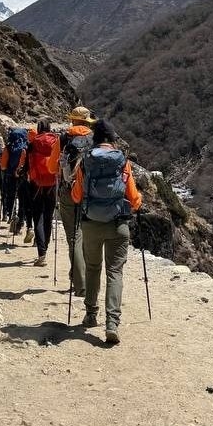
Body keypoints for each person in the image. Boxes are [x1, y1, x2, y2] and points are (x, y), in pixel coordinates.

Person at [71, 118, 142, 345]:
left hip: (91, 223)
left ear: (95, 139)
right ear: (112, 138)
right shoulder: (122, 162)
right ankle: (112, 323)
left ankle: (91, 314)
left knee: (93, 268)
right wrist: (137, 201)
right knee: (115, 272)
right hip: (117, 224)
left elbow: (76, 196)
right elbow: (134, 198)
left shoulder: (86, 161)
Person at [47, 106, 95, 296]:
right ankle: (87, 279)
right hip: (91, 193)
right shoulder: (95, 138)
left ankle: (80, 284)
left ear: (73, 120)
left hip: (69, 191)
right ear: (87, 122)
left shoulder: (64, 138)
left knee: (74, 237)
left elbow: (52, 168)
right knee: (88, 236)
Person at [26, 119, 59, 266]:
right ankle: (45, 246)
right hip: (52, 183)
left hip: (36, 183)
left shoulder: (33, 143)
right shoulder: (56, 142)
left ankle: (41, 253)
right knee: (48, 217)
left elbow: (28, 163)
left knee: (37, 216)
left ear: (39, 129)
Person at [0, 127, 29, 233]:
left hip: (11, 176)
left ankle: (11, 215)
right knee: (23, 199)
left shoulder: (8, 147)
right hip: (23, 176)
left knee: (11, 196)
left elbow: (3, 166)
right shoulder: (26, 147)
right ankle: (21, 220)